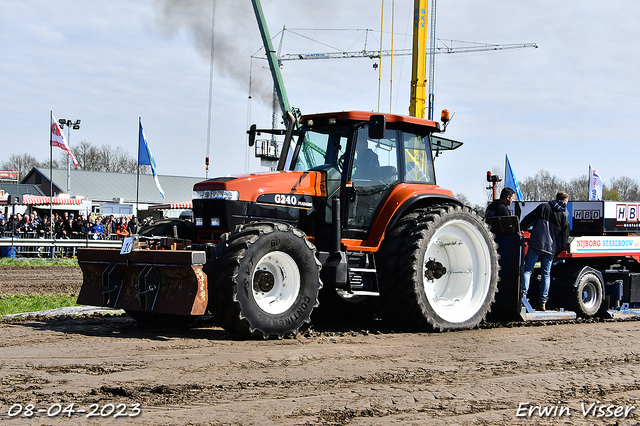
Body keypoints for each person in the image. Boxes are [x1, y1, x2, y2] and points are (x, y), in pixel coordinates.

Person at [520, 191, 570, 311]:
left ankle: (523, 298)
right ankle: (542, 302)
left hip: (536, 244)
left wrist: (520, 227)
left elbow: (528, 219)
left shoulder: (544, 207)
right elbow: (564, 237)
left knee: (528, 270)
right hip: (550, 249)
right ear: (564, 201)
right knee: (546, 275)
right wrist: (557, 250)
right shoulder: (563, 216)